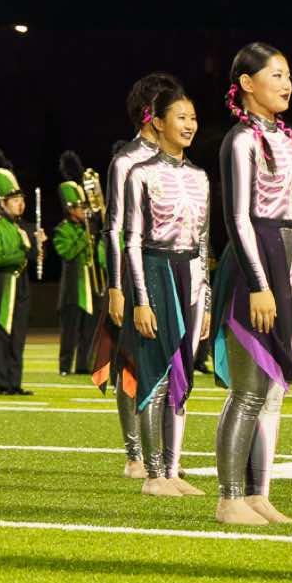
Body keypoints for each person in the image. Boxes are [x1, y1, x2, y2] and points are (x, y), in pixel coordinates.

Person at [212, 43, 292, 527]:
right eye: (275, 74)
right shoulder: (240, 141)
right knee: (248, 388)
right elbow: (237, 217)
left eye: (288, 75)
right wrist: (259, 284)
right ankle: (229, 498)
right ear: (247, 83)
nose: (286, 84)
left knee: (274, 389)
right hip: (257, 263)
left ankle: (259, 495)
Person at [123, 90, 211, 499]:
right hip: (156, 270)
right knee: (155, 374)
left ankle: (173, 470)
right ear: (158, 122)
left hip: (190, 272)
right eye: (181, 117)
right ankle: (153, 474)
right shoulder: (140, 174)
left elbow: (204, 241)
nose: (190, 125)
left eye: (193, 117)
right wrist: (140, 299)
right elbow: (132, 240)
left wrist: (206, 300)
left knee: (182, 376)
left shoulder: (201, 176)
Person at [98, 73, 184, 477]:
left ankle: (165, 455)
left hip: (170, 271)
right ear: (152, 114)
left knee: (171, 362)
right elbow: (113, 228)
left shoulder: (175, 159)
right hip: (134, 272)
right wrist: (116, 287)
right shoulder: (126, 160)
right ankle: (135, 454)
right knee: (133, 361)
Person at [0, 145, 44, 396]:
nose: (20, 204)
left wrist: (39, 245)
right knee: (0, 338)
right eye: (15, 200)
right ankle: (2, 383)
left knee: (18, 338)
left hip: (22, 286)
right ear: (2, 203)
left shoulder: (27, 227)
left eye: (22, 199)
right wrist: (25, 249)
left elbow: (34, 257)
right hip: (1, 286)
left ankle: (15, 382)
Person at [50, 152, 104, 376]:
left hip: (92, 288)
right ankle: (65, 366)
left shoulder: (91, 230)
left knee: (89, 330)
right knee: (70, 331)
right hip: (72, 290)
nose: (85, 211)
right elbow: (68, 252)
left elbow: (101, 258)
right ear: (70, 209)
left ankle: (83, 365)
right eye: (81, 207)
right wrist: (86, 236)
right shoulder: (62, 230)